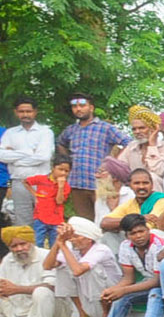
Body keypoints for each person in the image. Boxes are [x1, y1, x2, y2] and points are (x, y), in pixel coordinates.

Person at [57, 93, 126, 222]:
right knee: (85, 222)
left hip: (100, 183)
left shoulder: (106, 128)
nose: (78, 109)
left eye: (82, 105)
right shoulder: (71, 130)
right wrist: (67, 161)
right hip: (77, 183)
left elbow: (128, 142)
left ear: (91, 108)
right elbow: (60, 143)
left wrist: (113, 163)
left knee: (104, 219)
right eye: (75, 106)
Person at [98, 215, 164, 317]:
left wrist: (123, 290)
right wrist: (113, 290)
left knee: (154, 294)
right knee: (119, 297)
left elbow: (158, 281)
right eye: (133, 233)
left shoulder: (159, 245)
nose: (138, 236)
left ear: (148, 230)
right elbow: (128, 278)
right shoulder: (125, 246)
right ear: (126, 235)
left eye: (141, 231)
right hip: (149, 281)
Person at [44, 217, 120, 317]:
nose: (72, 240)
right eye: (71, 237)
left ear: (89, 239)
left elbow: (78, 271)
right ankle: (83, 314)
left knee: (91, 270)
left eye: (76, 237)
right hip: (87, 297)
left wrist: (63, 245)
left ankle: (106, 316)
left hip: (110, 298)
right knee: (62, 269)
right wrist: (58, 242)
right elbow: (48, 266)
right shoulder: (73, 249)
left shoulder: (101, 250)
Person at [0, 224, 61, 317]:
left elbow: (52, 287)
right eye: (14, 246)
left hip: (52, 309)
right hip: (20, 310)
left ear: (31, 242)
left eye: (23, 244)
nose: (19, 249)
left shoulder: (46, 256)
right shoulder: (8, 260)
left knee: (42, 292)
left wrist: (17, 289)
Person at [1, 99, 55, 227]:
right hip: (18, 181)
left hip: (41, 182)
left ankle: (43, 241)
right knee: (22, 220)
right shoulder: (10, 133)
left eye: (28, 111)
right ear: (16, 112)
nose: (25, 114)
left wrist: (15, 158)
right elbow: (2, 156)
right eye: (21, 111)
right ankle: (26, 241)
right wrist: (30, 152)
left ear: (35, 112)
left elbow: (43, 156)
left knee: (45, 219)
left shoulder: (45, 132)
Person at [24, 154, 70, 249]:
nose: (63, 173)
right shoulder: (41, 179)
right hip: (40, 217)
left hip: (56, 220)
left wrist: (60, 187)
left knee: (55, 245)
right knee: (38, 242)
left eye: (66, 171)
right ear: (53, 168)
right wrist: (34, 194)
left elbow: (59, 201)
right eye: (60, 169)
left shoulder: (66, 186)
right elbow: (26, 182)